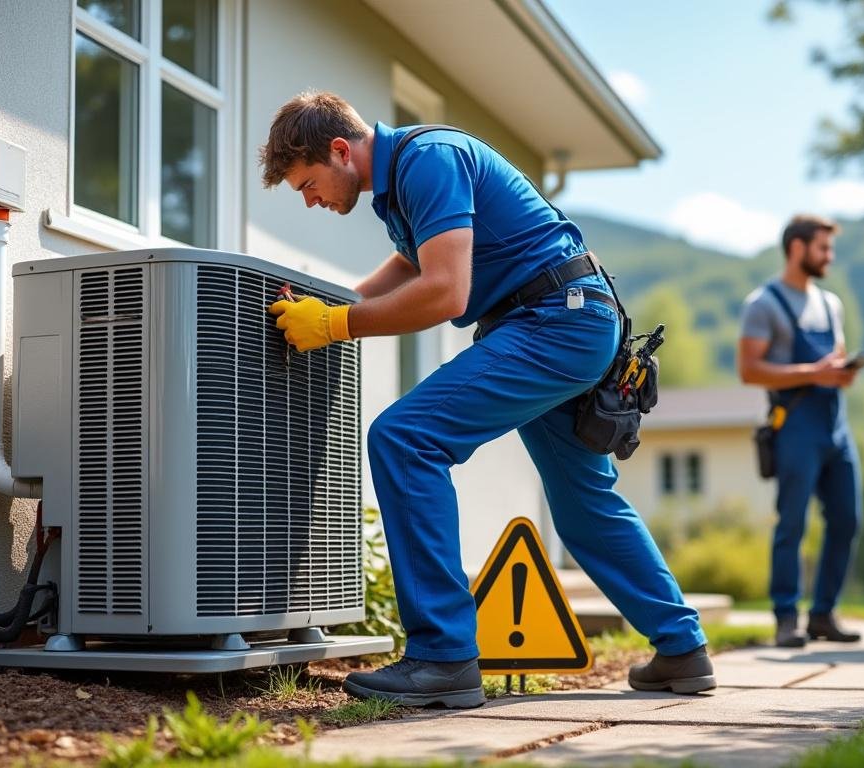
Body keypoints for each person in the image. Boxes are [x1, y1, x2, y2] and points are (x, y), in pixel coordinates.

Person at [258, 91, 712, 707]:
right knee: (583, 504)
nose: (309, 199)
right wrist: (330, 306)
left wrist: (337, 325)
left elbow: (444, 291)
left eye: (307, 183)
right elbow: (407, 267)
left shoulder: (429, 160)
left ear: (341, 150)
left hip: (554, 320)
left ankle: (442, 657)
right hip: (563, 321)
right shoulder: (402, 184)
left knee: (405, 437)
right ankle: (683, 650)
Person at [738, 215, 863, 648]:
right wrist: (813, 372)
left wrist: (843, 373)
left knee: (847, 520)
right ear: (797, 248)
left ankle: (824, 614)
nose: (829, 256)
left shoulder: (831, 303)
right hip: (795, 427)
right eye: (822, 248)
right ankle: (786, 617)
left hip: (837, 425)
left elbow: (836, 356)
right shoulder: (764, 303)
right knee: (792, 522)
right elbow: (749, 370)